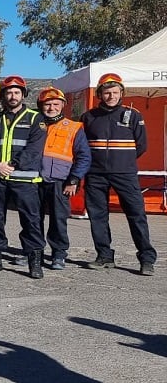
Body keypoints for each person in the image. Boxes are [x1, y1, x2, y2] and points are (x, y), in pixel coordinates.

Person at [81, 73, 157, 275]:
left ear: (121, 93)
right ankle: (104, 256)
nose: (111, 96)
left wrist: (123, 162)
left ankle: (146, 259)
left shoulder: (134, 115)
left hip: (125, 174)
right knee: (98, 217)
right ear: (100, 94)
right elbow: (82, 147)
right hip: (95, 174)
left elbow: (142, 146)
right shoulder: (88, 117)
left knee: (136, 215)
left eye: (115, 92)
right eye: (107, 92)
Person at [0, 76, 46, 279]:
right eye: (8, 92)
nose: (12, 96)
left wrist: (12, 165)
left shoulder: (35, 118)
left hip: (24, 179)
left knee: (31, 220)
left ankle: (34, 260)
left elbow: (34, 149)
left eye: (16, 92)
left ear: (23, 95)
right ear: (2, 96)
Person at [37, 87, 91, 271]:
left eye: (55, 104)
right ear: (41, 106)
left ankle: (58, 254)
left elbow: (84, 157)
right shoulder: (34, 125)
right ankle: (33, 252)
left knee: (58, 220)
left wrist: (74, 180)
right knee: (33, 219)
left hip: (60, 182)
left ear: (62, 106)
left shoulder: (74, 127)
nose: (51, 108)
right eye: (47, 104)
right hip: (34, 180)